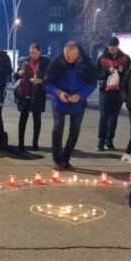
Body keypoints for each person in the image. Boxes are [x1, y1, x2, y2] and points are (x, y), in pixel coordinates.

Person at [45, 40, 96, 169]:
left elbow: (92, 84)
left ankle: (66, 158)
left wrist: (81, 95)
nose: (68, 59)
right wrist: (58, 93)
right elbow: (47, 83)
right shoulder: (56, 63)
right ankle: (57, 160)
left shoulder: (86, 64)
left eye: (71, 57)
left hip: (78, 102)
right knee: (58, 128)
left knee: (74, 130)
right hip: (60, 101)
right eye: (66, 56)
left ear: (77, 53)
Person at [96, 37, 131, 152]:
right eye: (110, 46)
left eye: (114, 47)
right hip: (104, 91)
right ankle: (101, 141)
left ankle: (109, 141)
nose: (112, 49)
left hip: (118, 91)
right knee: (104, 116)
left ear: (118, 46)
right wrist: (106, 72)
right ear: (107, 46)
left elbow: (128, 75)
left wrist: (122, 71)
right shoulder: (102, 59)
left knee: (114, 117)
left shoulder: (125, 59)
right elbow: (97, 74)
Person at [15, 43, 49, 152]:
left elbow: (51, 76)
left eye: (34, 53)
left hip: (38, 93)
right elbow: (15, 75)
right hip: (25, 92)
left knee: (36, 119)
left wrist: (41, 80)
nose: (32, 55)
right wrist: (19, 73)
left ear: (39, 52)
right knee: (23, 118)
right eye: (30, 52)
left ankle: (35, 143)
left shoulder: (45, 62)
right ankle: (21, 143)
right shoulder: (24, 61)